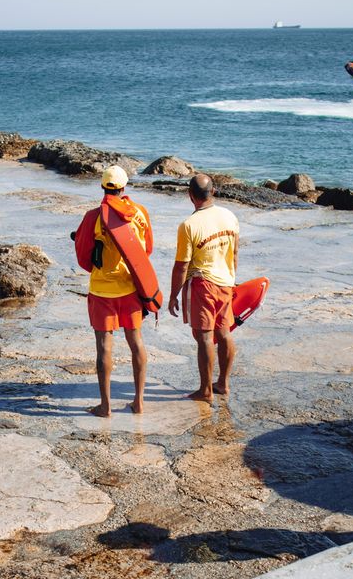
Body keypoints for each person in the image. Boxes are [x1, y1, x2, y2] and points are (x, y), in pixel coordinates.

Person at [72, 165, 153, 417]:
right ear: (124, 187)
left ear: (103, 187)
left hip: (102, 291)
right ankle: (138, 402)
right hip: (130, 289)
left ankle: (105, 406)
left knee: (104, 348)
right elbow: (145, 251)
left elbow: (83, 258)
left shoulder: (92, 216)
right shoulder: (140, 213)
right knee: (136, 342)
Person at [168, 174, 239, 402]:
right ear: (214, 191)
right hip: (226, 281)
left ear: (190, 196)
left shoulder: (188, 225)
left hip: (203, 284)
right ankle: (223, 384)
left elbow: (181, 266)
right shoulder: (230, 216)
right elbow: (234, 253)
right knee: (224, 333)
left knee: (205, 338)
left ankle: (205, 390)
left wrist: (173, 296)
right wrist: (232, 278)